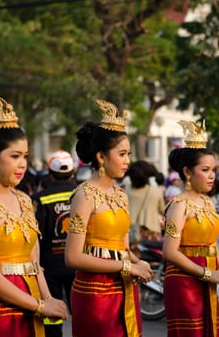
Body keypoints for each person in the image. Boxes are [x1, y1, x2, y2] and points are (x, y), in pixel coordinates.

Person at [0, 95, 68, 337]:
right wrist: (40, 305)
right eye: (14, 156)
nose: (22, 164)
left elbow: (34, 264)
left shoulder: (23, 199)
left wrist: (49, 299)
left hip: (33, 304)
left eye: (25, 157)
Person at [64, 99, 153, 337]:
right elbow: (73, 257)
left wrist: (137, 262)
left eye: (128, 154)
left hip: (123, 286)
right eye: (122, 154)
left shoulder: (121, 195)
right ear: (101, 157)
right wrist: (127, 266)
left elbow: (122, 247)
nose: (127, 161)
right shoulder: (84, 195)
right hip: (94, 293)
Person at [162, 120, 219, 337]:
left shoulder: (208, 202)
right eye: (205, 170)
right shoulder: (179, 204)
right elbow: (170, 252)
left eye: (214, 170)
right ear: (187, 172)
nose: (212, 176)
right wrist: (207, 273)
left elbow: (211, 242)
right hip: (184, 281)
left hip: (208, 277)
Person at [31, 150, 77, 337]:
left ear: (49, 173)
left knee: (52, 314)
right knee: (80, 312)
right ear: (73, 172)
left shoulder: (40, 198)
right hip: (78, 263)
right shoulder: (83, 194)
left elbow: (36, 234)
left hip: (49, 265)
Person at [126, 160, 165, 247]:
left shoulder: (125, 191)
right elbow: (163, 211)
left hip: (129, 234)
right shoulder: (155, 191)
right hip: (152, 235)